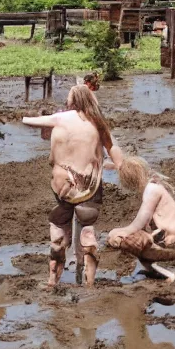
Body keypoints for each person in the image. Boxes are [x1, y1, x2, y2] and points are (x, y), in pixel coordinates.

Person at [22, 85, 124, 287]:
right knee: (87, 230)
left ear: (72, 102)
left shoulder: (60, 119)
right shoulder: (97, 122)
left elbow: (27, 121)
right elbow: (113, 149)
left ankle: (52, 281)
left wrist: (32, 116)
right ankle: (90, 283)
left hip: (63, 187)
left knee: (58, 232)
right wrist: (122, 167)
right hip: (90, 186)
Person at [107, 157, 175, 282]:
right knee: (126, 236)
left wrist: (122, 232)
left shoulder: (151, 189)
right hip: (170, 240)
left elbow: (140, 220)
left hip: (168, 243)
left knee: (119, 238)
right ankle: (152, 267)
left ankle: (163, 270)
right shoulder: (154, 186)